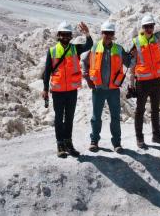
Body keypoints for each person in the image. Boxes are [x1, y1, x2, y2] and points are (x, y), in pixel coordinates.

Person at [41, 21, 92, 158]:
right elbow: (47, 72)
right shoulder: (52, 51)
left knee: (69, 118)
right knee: (58, 118)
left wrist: (87, 33)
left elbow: (89, 45)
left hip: (71, 91)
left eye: (67, 34)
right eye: (63, 34)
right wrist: (45, 89)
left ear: (70, 36)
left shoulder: (75, 49)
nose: (65, 37)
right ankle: (60, 144)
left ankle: (68, 143)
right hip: (57, 91)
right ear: (58, 35)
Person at [83, 21, 132, 153]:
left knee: (115, 117)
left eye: (111, 33)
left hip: (113, 90)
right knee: (96, 117)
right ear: (102, 33)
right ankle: (94, 141)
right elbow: (84, 62)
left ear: (113, 34)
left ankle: (117, 143)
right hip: (98, 89)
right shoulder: (94, 48)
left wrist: (133, 54)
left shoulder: (119, 49)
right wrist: (87, 78)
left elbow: (130, 64)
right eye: (106, 33)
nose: (109, 35)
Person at [128, 11, 160, 149]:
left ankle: (156, 135)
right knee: (140, 110)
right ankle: (139, 138)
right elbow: (132, 66)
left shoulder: (157, 38)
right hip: (142, 82)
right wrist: (131, 85)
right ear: (142, 28)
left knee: (155, 109)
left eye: (151, 26)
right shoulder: (136, 42)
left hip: (156, 81)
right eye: (146, 27)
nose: (149, 29)